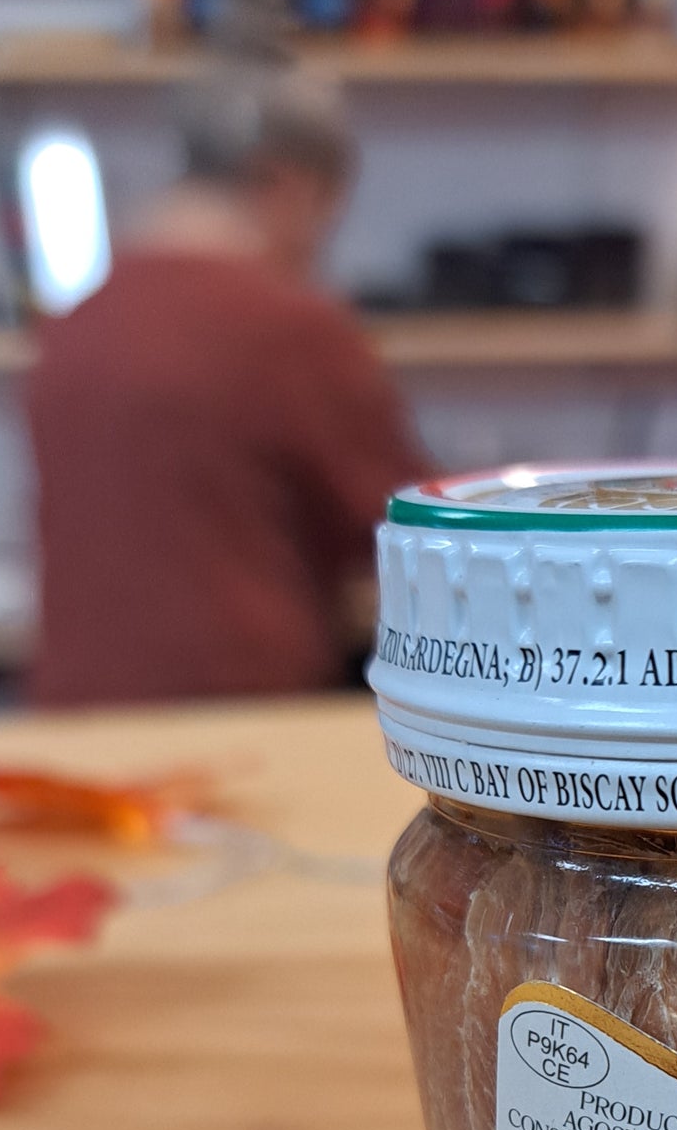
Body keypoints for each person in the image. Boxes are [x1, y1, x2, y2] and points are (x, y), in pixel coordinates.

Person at [26, 70, 425, 706]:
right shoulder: (290, 326)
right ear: (288, 184)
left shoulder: (72, 323)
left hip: (71, 715)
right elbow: (416, 529)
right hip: (238, 711)